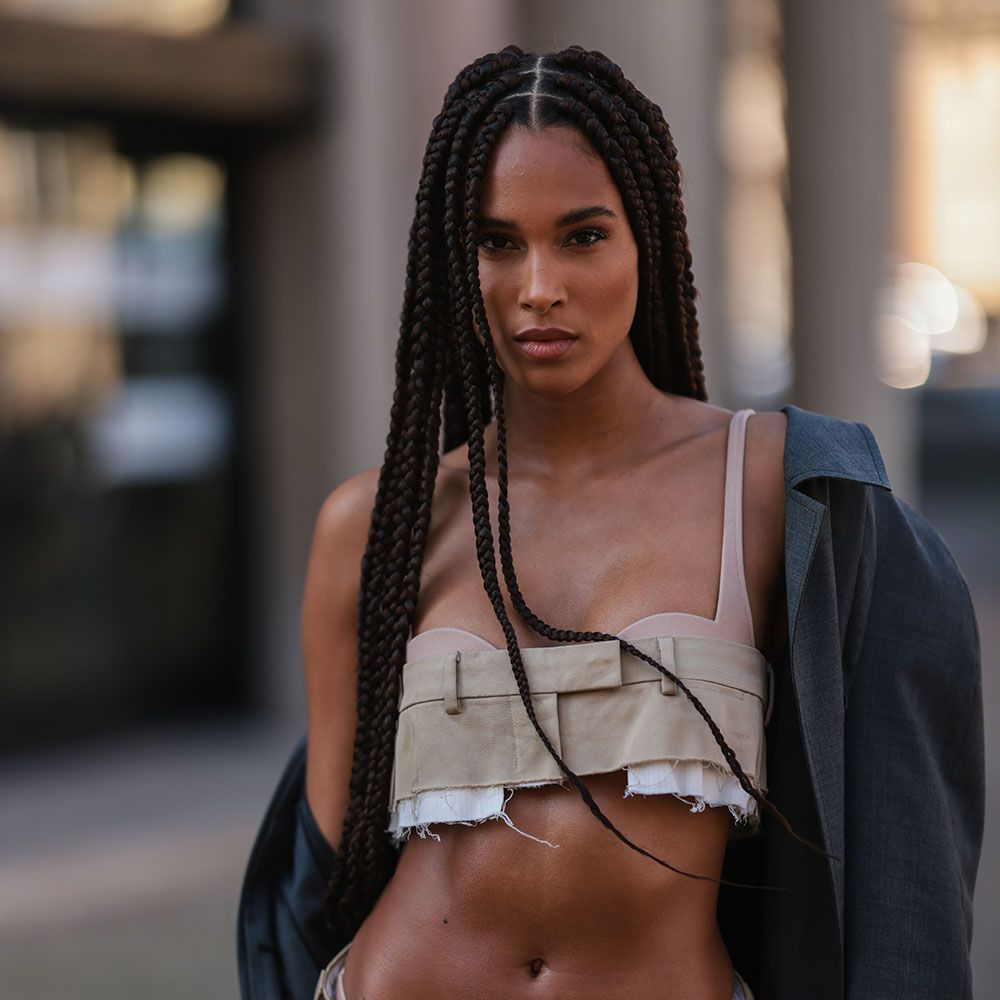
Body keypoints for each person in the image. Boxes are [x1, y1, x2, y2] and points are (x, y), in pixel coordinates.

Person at [237, 45, 984, 1000]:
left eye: (582, 236)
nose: (537, 285)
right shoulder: (377, 524)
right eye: (497, 240)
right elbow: (319, 877)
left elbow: (904, 853)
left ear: (652, 240)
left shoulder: (782, 489)